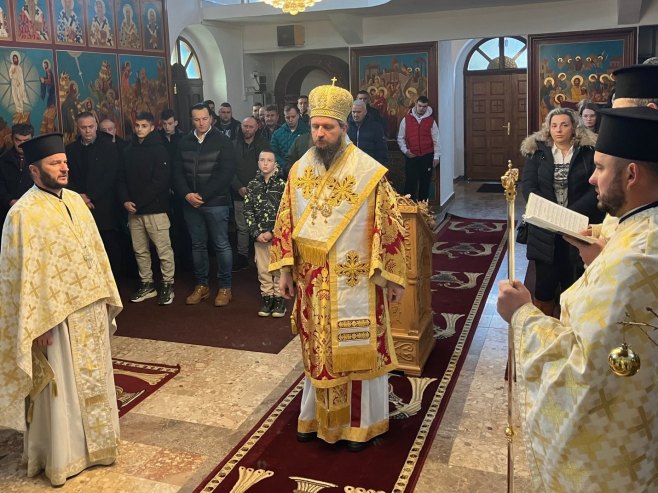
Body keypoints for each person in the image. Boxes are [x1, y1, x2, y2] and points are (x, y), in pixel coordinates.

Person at [497, 106, 658, 493]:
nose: (592, 176)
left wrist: (521, 315)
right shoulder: (639, 231)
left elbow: (583, 371)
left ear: (631, 174)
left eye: (601, 168)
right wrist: (599, 258)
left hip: (610, 464)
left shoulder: (635, 257)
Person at [270, 81, 407, 452]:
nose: (320, 133)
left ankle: (361, 424)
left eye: (328, 127)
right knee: (320, 353)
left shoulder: (367, 171)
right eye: (315, 126)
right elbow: (286, 222)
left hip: (358, 281)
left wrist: (392, 277)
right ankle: (316, 419)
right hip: (313, 282)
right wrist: (285, 271)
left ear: (344, 128)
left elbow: (388, 226)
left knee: (355, 351)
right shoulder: (299, 170)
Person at [0, 133, 122, 486]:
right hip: (52, 320)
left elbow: (94, 252)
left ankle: (99, 447)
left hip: (89, 311)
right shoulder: (23, 214)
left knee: (94, 380)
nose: (64, 167)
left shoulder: (76, 201)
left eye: (65, 162)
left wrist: (104, 297)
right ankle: (62, 457)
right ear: (35, 171)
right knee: (62, 388)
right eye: (55, 164)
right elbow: (18, 275)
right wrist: (32, 325)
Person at [520, 107, 602, 315]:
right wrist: (551, 213)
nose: (559, 130)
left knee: (574, 281)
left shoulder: (588, 152)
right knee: (545, 285)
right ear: (548, 128)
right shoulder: (536, 152)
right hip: (545, 229)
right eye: (554, 125)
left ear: (574, 127)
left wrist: (570, 213)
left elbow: (596, 186)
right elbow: (529, 187)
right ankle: (546, 328)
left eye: (564, 125)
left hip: (579, 225)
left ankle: (572, 326)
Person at [173, 102, 236, 306]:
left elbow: (225, 174)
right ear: (192, 120)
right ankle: (202, 285)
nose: (201, 122)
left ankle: (225, 287)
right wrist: (186, 194)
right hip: (190, 203)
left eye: (204, 118)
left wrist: (202, 195)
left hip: (216, 203)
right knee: (198, 245)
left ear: (211, 118)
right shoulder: (184, 141)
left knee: (221, 244)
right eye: (197, 119)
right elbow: (177, 172)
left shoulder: (222, 141)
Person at [118, 112, 175, 304]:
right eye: (137, 125)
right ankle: (147, 283)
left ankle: (167, 283)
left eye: (144, 126)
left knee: (163, 249)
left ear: (152, 127)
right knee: (140, 250)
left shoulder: (160, 149)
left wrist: (139, 203)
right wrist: (125, 200)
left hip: (155, 209)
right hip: (133, 210)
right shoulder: (128, 149)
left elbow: (160, 181)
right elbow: (121, 178)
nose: (139, 129)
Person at [66, 111, 121, 277]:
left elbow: (111, 175)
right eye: (84, 127)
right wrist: (80, 196)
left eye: (91, 127)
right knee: (84, 244)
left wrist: (91, 196)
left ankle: (113, 281)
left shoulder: (109, 147)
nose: (88, 131)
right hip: (79, 203)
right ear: (78, 128)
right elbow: (68, 176)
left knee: (109, 244)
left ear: (96, 126)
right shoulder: (70, 149)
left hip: (104, 203)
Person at [244, 150, 286, 317]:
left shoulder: (282, 185)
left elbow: (285, 214)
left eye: (269, 160)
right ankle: (267, 299)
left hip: (277, 238)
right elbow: (247, 211)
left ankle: (279, 299)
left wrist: (272, 233)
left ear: (275, 163)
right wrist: (256, 232)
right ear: (258, 163)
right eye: (262, 160)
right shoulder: (253, 185)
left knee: (278, 269)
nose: (265, 163)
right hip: (259, 237)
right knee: (263, 270)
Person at [231, 116, 270, 271]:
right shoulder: (233, 145)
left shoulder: (264, 145)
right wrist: (238, 186)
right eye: (244, 126)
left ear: (256, 128)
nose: (247, 129)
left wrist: (255, 187)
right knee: (242, 227)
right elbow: (229, 169)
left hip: (259, 192)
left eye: (250, 127)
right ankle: (242, 256)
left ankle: (261, 258)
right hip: (238, 192)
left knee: (261, 225)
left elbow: (268, 167)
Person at [397, 96, 440, 201]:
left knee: (425, 183)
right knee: (410, 183)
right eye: (420, 106)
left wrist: (436, 157)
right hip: (412, 156)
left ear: (427, 106)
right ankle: (409, 207)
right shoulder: (406, 119)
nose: (422, 108)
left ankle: (423, 209)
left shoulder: (431, 121)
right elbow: (400, 138)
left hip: (427, 156)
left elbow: (437, 140)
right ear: (416, 104)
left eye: (424, 106)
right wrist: (406, 151)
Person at [0, 124, 33, 231]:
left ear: (32, 139)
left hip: (33, 209)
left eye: (26, 140)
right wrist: (10, 201)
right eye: (18, 140)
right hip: (7, 211)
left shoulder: (38, 159)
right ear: (12, 139)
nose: (22, 144)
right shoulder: (3, 160)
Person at [270, 104, 309, 175]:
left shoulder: (306, 132)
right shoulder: (277, 133)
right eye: (288, 117)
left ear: (298, 116)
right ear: (284, 117)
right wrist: (285, 166)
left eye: (293, 117)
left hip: (304, 170)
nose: (290, 120)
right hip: (283, 172)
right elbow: (273, 153)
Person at [347, 99, 389, 165]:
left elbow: (382, 150)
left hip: (369, 165)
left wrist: (381, 167)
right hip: (350, 166)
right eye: (353, 112)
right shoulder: (345, 127)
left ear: (365, 112)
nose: (355, 115)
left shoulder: (376, 127)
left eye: (358, 112)